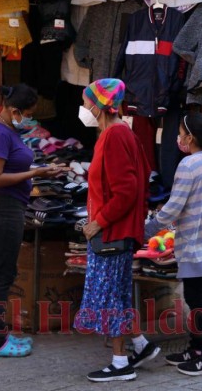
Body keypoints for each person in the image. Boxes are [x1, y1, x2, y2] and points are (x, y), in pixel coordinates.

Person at [74, 78, 160, 382]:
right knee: (119, 295)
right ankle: (140, 344)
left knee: (110, 296)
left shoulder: (114, 136)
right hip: (118, 230)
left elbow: (126, 190)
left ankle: (121, 362)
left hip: (112, 232)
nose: (84, 108)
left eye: (86, 102)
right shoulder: (119, 133)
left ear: (99, 105)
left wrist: (98, 222)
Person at [0, 83, 68, 357]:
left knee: (4, 272)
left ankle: (1, 335)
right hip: (2, 207)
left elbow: (11, 168)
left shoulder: (7, 129)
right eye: (27, 114)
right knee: (1, 274)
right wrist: (36, 173)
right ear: (14, 110)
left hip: (12, 206)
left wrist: (42, 171)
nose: (28, 119)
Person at [144, 111, 202, 376]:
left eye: (179, 133)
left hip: (192, 240)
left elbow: (173, 208)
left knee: (195, 298)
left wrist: (148, 228)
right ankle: (197, 349)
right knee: (194, 294)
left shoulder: (189, 165)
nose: (177, 137)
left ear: (190, 137)